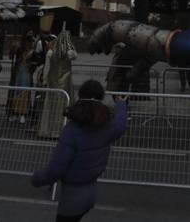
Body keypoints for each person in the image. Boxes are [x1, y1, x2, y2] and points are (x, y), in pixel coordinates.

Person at [31, 79, 129, 221]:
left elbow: (57, 167)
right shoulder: (106, 126)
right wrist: (121, 104)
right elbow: (120, 125)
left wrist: (38, 178)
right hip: (91, 189)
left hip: (72, 194)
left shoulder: (72, 130)